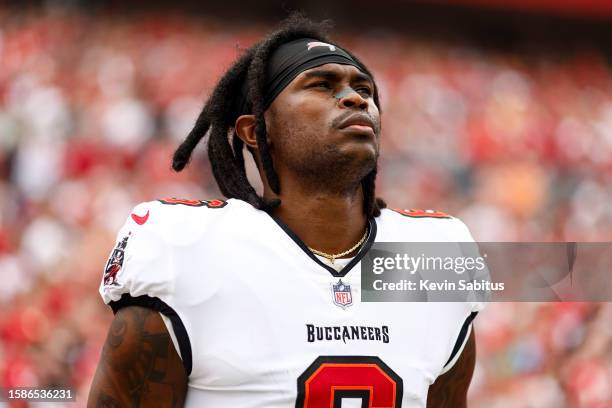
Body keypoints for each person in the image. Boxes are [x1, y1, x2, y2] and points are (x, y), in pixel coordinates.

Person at [88, 14, 482, 408]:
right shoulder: (186, 248)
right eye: (321, 85)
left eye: (363, 88)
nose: (356, 98)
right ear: (255, 130)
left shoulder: (435, 254)